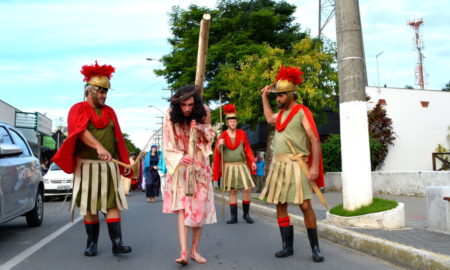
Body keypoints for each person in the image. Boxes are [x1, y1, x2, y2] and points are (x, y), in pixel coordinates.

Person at [52, 61, 132, 257]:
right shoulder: (77, 109)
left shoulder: (110, 112)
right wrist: (98, 146)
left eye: (106, 92)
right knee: (90, 207)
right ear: (89, 90)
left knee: (113, 205)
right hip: (86, 166)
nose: (104, 95)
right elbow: (79, 132)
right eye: (100, 91)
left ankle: (117, 244)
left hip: (109, 166)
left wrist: (126, 162)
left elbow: (118, 137)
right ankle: (91, 243)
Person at [259, 66, 325, 262]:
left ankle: (315, 248)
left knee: (305, 206)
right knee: (280, 205)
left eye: (280, 96)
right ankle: (287, 247)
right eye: (276, 96)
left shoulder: (302, 111)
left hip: (298, 165)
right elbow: (269, 118)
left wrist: (314, 167)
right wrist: (264, 97)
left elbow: (314, 139)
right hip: (279, 165)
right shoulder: (279, 115)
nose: (277, 99)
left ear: (289, 94)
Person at [162, 85, 216, 265]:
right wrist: (179, 157)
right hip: (180, 164)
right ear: (178, 104)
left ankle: (194, 250)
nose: (186, 108)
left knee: (198, 209)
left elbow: (210, 136)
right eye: (183, 105)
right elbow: (167, 143)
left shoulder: (204, 111)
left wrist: (199, 128)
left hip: (199, 164)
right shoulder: (169, 115)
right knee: (183, 209)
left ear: (196, 103)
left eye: (190, 104)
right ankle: (183, 251)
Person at [213, 104, 256, 224]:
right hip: (229, 167)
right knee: (232, 191)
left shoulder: (242, 133)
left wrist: (252, 161)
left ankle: (246, 215)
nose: (233, 123)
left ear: (236, 122)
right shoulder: (222, 136)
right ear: (227, 122)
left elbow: (247, 149)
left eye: (234, 121)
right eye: (231, 121)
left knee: (247, 189)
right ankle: (234, 217)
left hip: (242, 165)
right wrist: (220, 145)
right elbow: (218, 153)